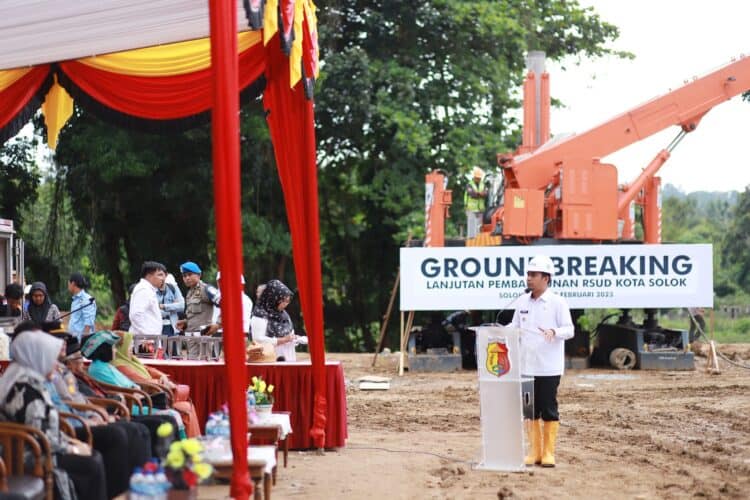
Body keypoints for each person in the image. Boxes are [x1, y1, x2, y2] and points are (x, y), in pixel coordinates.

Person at [0, 328, 107, 500]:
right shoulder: (24, 389)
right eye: (49, 358)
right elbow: (42, 436)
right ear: (36, 356)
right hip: (27, 456)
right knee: (91, 463)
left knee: (92, 457)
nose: (55, 364)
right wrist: (73, 448)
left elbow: (45, 429)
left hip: (39, 447)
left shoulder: (27, 379)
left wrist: (70, 442)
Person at [508, 254, 573, 468]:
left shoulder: (557, 302)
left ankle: (548, 453)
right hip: (526, 365)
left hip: (548, 367)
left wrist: (554, 331)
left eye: (533, 274)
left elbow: (570, 329)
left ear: (546, 278)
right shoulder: (522, 301)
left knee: (548, 408)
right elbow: (514, 326)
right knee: (529, 409)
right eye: (528, 274)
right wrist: (495, 331)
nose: (529, 278)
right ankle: (534, 452)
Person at [82, 331, 186, 438]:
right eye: (113, 347)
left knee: (173, 414)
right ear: (104, 350)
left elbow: (129, 384)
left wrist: (137, 389)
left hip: (136, 400)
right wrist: (136, 390)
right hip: (130, 405)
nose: (115, 350)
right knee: (172, 415)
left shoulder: (106, 365)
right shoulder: (98, 369)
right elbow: (118, 389)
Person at [113, 332, 200, 437]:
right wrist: (162, 384)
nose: (132, 347)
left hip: (154, 392)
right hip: (147, 397)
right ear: (120, 347)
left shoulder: (131, 360)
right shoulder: (120, 365)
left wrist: (161, 376)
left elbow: (149, 370)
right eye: (129, 345)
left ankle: (194, 441)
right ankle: (190, 444)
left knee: (187, 406)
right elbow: (141, 381)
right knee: (184, 408)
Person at [251, 279, 306, 362]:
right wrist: (282, 340)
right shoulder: (260, 314)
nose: (285, 304)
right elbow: (258, 339)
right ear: (273, 299)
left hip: (288, 356)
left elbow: (289, 334)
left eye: (288, 301)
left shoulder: (283, 314)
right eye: (283, 301)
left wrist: (294, 338)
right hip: (269, 359)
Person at [177, 261, 221, 357]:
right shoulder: (189, 293)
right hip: (191, 338)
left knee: (204, 367)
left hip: (203, 337)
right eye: (184, 276)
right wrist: (185, 322)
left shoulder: (207, 289)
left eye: (189, 274)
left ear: (199, 275)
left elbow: (226, 304)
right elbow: (195, 315)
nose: (187, 278)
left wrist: (218, 324)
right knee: (191, 366)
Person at [129, 261, 167, 336]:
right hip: (145, 341)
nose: (163, 278)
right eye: (160, 275)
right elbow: (136, 314)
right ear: (149, 276)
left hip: (148, 339)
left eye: (164, 275)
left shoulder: (148, 289)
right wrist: (148, 335)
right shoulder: (143, 290)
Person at [212, 271, 253, 335]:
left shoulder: (245, 300)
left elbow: (242, 324)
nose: (221, 284)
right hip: (216, 335)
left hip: (236, 335)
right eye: (219, 281)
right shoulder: (217, 297)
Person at [67, 272, 97, 340]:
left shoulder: (86, 300)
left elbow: (88, 324)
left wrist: (83, 344)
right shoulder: (75, 300)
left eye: (68, 283)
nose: (68, 286)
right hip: (73, 341)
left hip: (81, 343)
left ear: (73, 283)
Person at [157, 273, 184, 337]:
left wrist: (164, 306)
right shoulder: (152, 290)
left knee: (173, 346)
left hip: (173, 327)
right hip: (157, 327)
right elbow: (154, 309)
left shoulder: (173, 288)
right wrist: (173, 306)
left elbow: (182, 306)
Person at [464, 166, 487, 238]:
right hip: (471, 209)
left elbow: (486, 193)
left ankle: (478, 239)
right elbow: (472, 194)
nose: (478, 179)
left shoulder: (483, 184)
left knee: (479, 226)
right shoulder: (469, 185)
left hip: (480, 209)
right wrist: (480, 194)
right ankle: (471, 239)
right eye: (477, 178)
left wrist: (479, 194)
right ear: (474, 177)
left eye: (479, 178)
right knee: (471, 225)